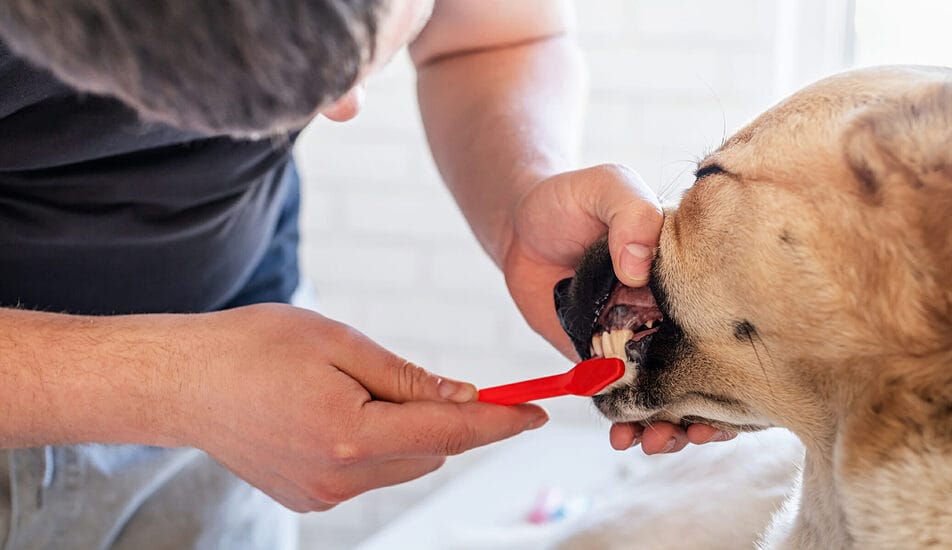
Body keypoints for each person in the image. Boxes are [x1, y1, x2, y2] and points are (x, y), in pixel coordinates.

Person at [0, 0, 730, 547]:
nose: (341, 106)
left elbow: (491, 33)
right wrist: (173, 386)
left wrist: (518, 199)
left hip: (240, 385)